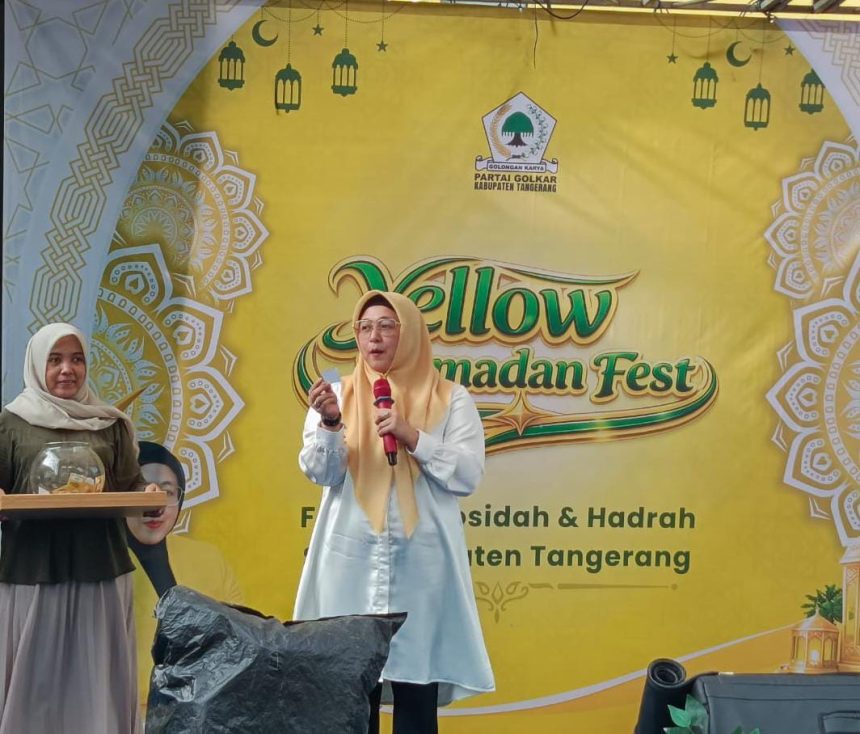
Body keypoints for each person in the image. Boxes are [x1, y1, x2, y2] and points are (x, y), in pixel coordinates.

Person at [296, 291, 494, 734]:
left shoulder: (451, 398)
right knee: (351, 692)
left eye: (387, 326)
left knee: (417, 692)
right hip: (349, 561)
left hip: (423, 565)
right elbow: (321, 472)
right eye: (365, 327)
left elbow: (466, 474)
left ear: (410, 334)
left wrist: (412, 435)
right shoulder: (337, 393)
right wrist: (331, 424)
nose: (374, 337)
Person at [0, 322, 157, 734]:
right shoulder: (11, 422)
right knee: (34, 681)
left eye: (76, 359)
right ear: (37, 365)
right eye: (55, 360)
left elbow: (131, 484)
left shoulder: (109, 423)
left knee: (95, 678)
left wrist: (148, 492)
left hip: (99, 566)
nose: (67, 369)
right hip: (32, 568)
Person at [126, 441, 242, 712]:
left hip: (202, 711)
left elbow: (238, 642)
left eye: (167, 492)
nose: (155, 506)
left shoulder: (209, 560)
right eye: (141, 491)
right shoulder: (102, 565)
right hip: (124, 712)